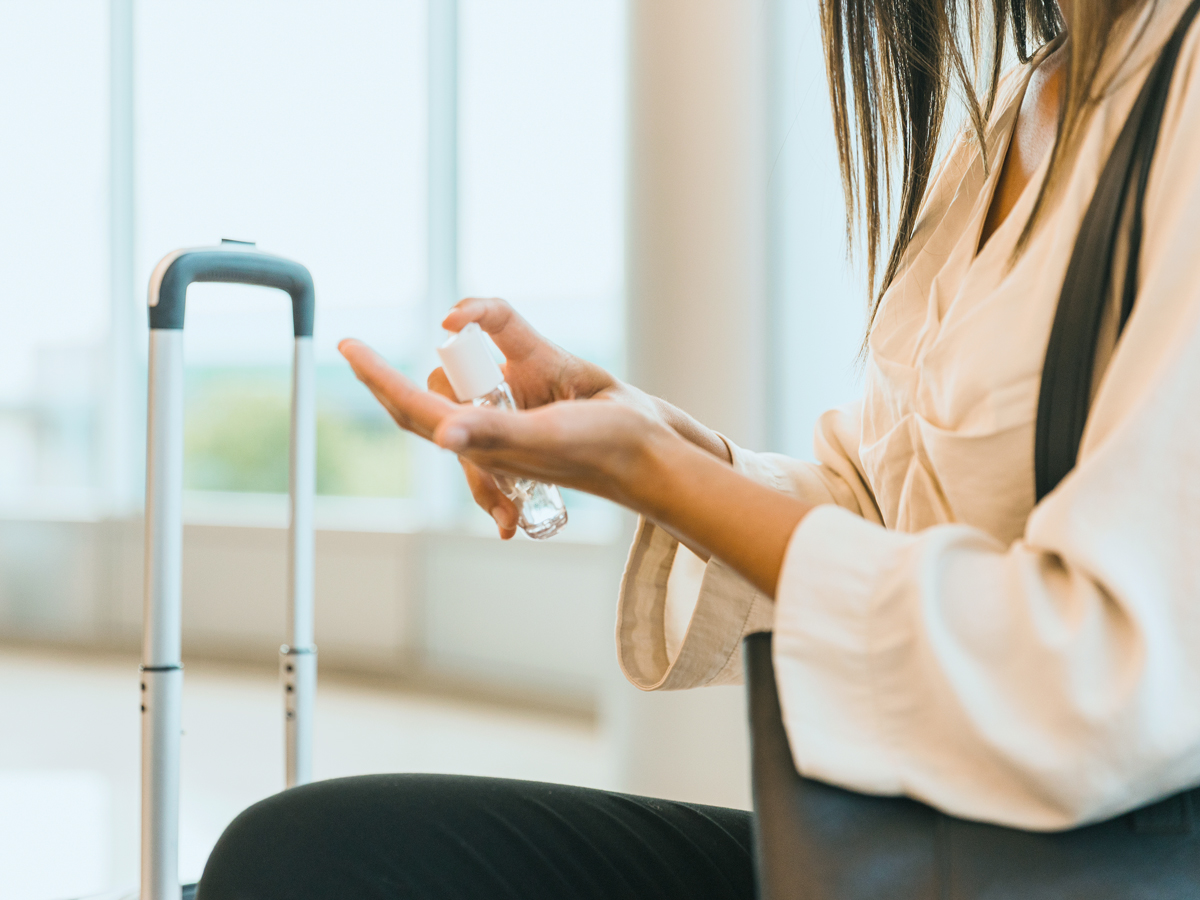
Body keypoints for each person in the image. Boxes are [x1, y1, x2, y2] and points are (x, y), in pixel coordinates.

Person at [196, 0, 1200, 894]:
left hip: (1076, 856)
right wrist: (648, 444)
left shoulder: (1181, 88)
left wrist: (651, 467)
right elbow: (886, 510)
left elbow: (1107, 676)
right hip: (949, 837)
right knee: (316, 853)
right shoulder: (1020, 113)